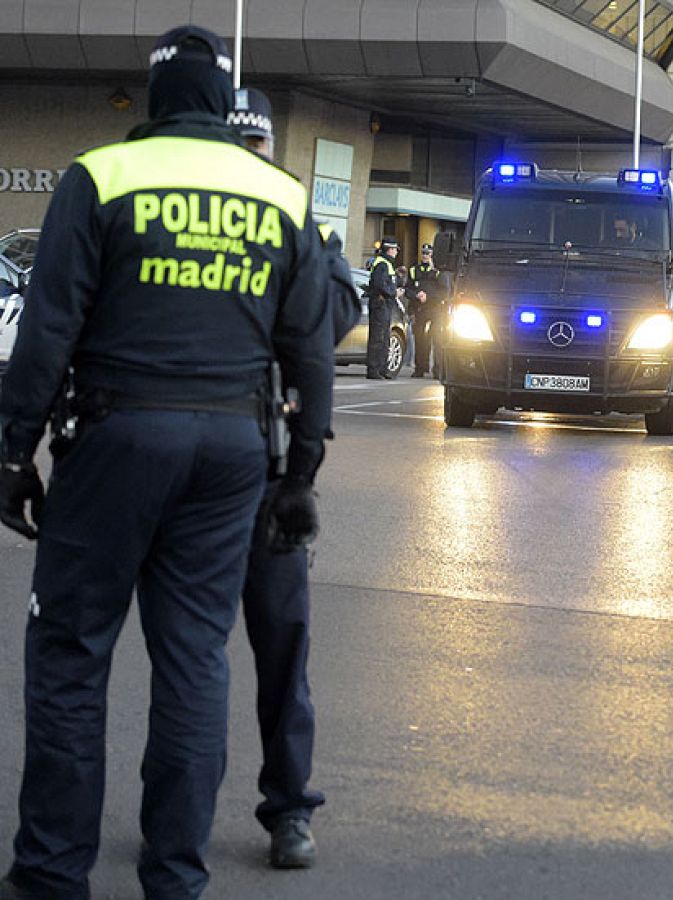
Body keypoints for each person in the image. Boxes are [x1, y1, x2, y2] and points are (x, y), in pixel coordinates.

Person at [0, 24, 333, 900]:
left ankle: (49, 877)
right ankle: (174, 878)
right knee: (195, 661)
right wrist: (300, 472)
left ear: (153, 102)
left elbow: (47, 332)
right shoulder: (278, 195)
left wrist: (10, 452)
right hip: (230, 453)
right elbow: (310, 351)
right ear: (227, 107)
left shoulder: (100, 176)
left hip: (114, 438)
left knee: (72, 654)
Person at [230, 85, 363, 872]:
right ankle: (285, 814)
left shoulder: (291, 223)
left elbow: (333, 315)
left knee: (246, 649)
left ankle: (282, 810)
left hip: (260, 455)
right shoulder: (290, 218)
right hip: (258, 455)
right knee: (258, 648)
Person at [407, 243, 451, 378]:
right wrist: (416, 296)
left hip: (436, 309)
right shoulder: (414, 270)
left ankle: (438, 370)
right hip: (419, 309)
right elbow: (408, 289)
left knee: (437, 340)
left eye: (428, 253)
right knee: (420, 339)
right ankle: (420, 368)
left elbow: (445, 292)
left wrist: (429, 297)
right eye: (424, 253)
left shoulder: (439, 272)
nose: (425, 256)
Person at [365, 236, 400, 378]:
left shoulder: (387, 263)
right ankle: (374, 370)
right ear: (390, 249)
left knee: (385, 337)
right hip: (380, 304)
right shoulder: (382, 264)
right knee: (378, 338)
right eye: (396, 249)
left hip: (385, 305)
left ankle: (382, 369)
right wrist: (394, 292)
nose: (397, 252)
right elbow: (379, 284)